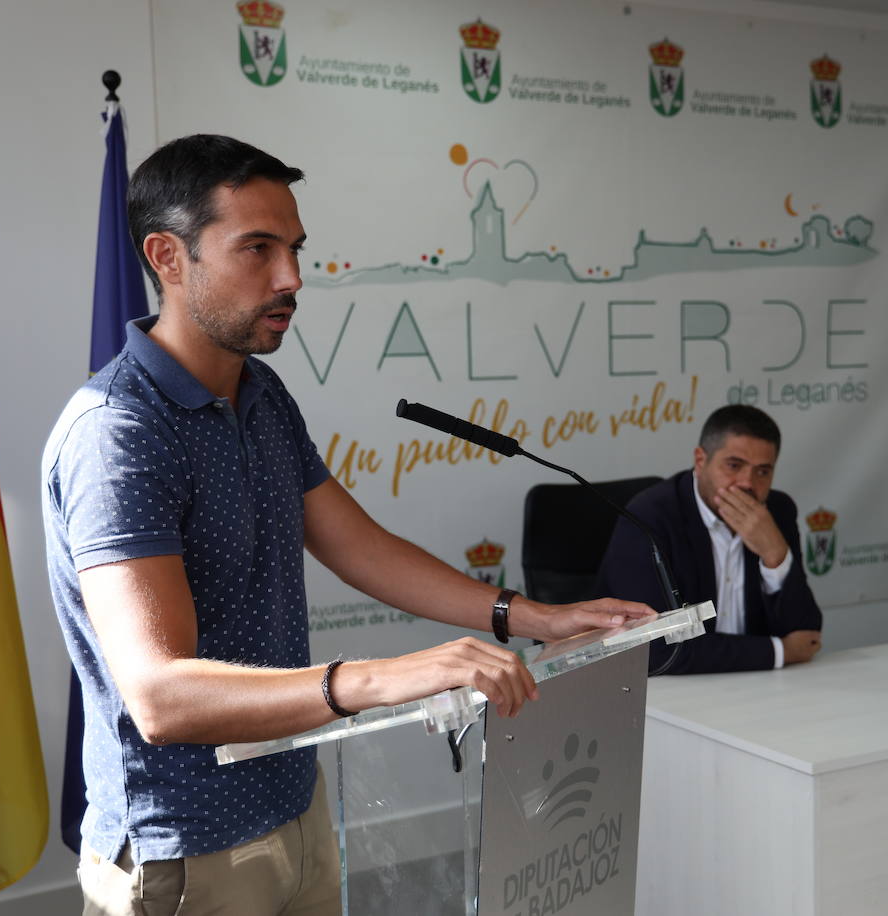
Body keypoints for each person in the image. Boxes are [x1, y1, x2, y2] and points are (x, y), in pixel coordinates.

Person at [41, 134, 653, 916]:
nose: (292, 277)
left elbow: (359, 547)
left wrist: (532, 617)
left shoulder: (260, 392)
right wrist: (383, 679)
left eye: (294, 249)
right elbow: (161, 695)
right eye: (257, 249)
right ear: (168, 257)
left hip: (298, 799)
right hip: (187, 845)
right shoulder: (116, 430)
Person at [596, 404, 822, 675]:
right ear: (701, 460)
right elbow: (654, 647)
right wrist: (780, 651)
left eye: (762, 471)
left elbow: (807, 635)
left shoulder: (777, 512)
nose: (747, 483)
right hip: (665, 692)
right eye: (734, 465)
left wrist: (775, 556)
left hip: (755, 684)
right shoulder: (650, 517)